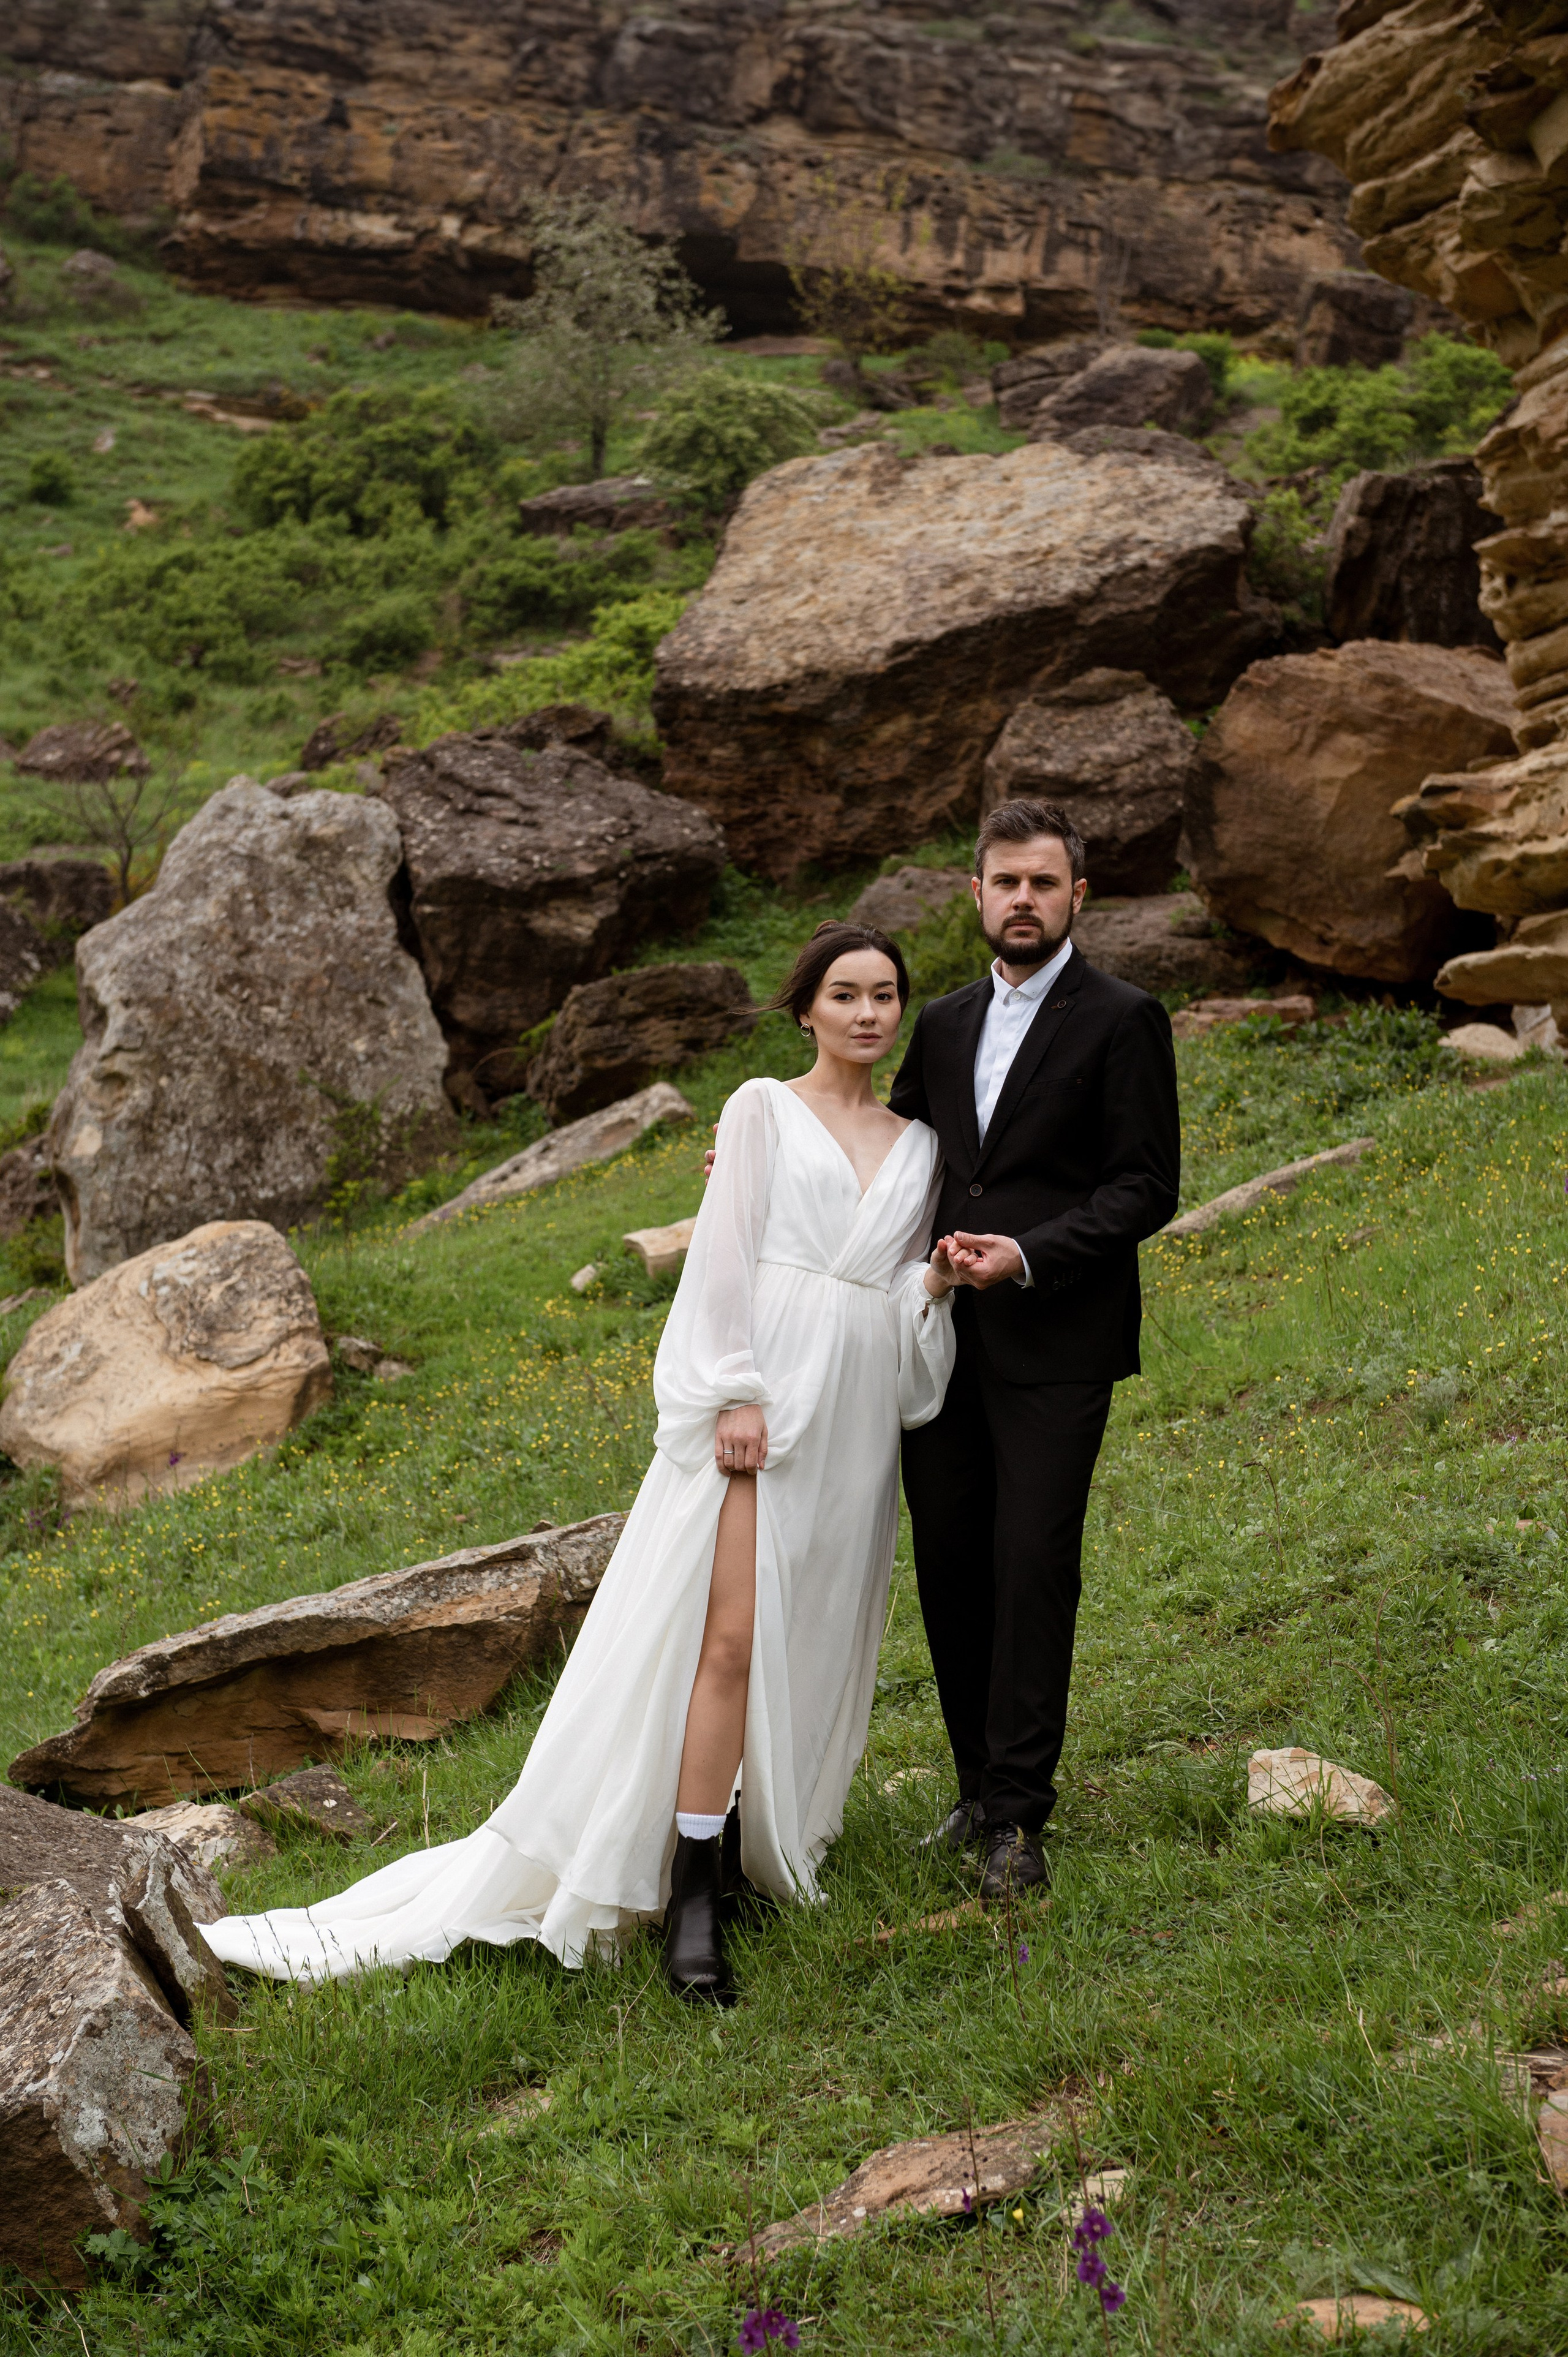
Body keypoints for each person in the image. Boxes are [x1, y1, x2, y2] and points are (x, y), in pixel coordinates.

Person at [202, 922, 959, 2004]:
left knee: (810, 1639)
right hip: (763, 1406)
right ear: (806, 1010)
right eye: (846, 994)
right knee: (728, 1641)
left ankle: (742, 1849)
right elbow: (725, 1259)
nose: (869, 1014)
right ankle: (689, 1892)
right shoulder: (758, 1108)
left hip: (852, 1424)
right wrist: (733, 1389)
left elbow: (888, 1300)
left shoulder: (919, 1146)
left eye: (886, 995)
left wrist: (930, 1289)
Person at [891, 798, 1180, 1900]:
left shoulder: (1122, 1017)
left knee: (1030, 1567)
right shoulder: (949, 1021)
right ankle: (972, 1792)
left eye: (1043, 883)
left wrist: (1027, 1253)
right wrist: (760, 1164)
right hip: (942, 1344)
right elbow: (895, 1146)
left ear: (1077, 896)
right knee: (953, 1566)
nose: (1023, 900)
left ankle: (1020, 1818)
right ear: (976, 895)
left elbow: (1146, 1185)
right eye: (1005, 882)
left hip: (1059, 1339)